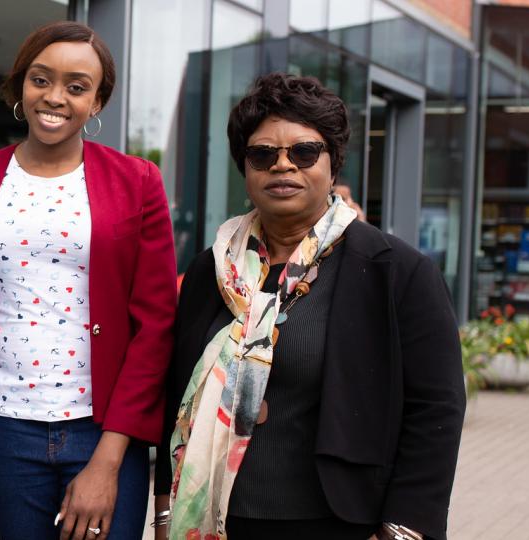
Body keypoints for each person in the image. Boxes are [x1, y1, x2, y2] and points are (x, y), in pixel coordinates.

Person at [153, 73, 464, 540]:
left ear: (332, 163)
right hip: (216, 520)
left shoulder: (396, 271)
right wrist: (163, 510)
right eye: (263, 154)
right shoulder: (210, 270)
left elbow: (435, 409)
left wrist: (405, 528)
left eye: (303, 151)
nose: (283, 166)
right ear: (245, 166)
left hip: (341, 522)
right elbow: (178, 396)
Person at [0, 21, 177, 540]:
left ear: (98, 102)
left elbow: (155, 327)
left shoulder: (138, 183)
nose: (55, 97)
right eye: (41, 79)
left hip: (103, 431)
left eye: (76, 86)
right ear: (22, 85)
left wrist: (109, 462)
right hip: (6, 429)